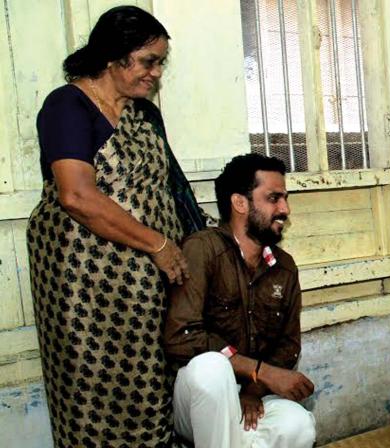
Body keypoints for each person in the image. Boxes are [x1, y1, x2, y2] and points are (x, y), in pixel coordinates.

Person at [27, 5, 205, 447]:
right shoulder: (67, 105)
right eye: (148, 61)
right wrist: (159, 244)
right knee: (94, 389)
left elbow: (171, 190)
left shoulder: (145, 115)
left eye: (161, 62)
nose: (156, 73)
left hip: (148, 284)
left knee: (152, 385)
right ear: (112, 57)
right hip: (86, 286)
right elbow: (77, 196)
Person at [163, 154, 316, 448]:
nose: (285, 209)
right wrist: (258, 370)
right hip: (197, 399)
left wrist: (253, 387)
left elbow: (287, 346)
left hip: (250, 395)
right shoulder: (202, 250)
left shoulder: (284, 267)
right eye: (274, 198)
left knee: (299, 426)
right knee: (213, 367)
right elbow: (180, 337)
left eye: (284, 198)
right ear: (240, 203)